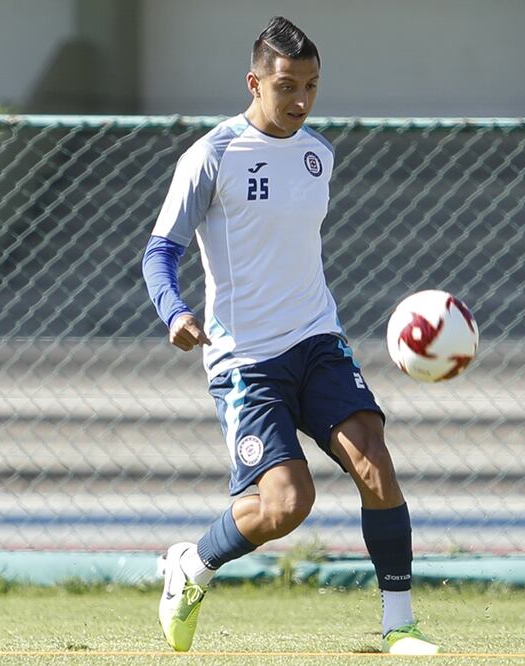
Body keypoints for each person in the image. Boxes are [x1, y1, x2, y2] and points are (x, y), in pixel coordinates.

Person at [141, 16, 438, 656]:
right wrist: (175, 313)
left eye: (311, 85)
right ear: (254, 82)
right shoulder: (212, 155)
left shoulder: (318, 154)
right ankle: (189, 566)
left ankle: (400, 625)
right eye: (286, 86)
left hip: (316, 339)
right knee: (285, 503)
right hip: (245, 361)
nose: (300, 100)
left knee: (374, 462)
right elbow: (159, 251)